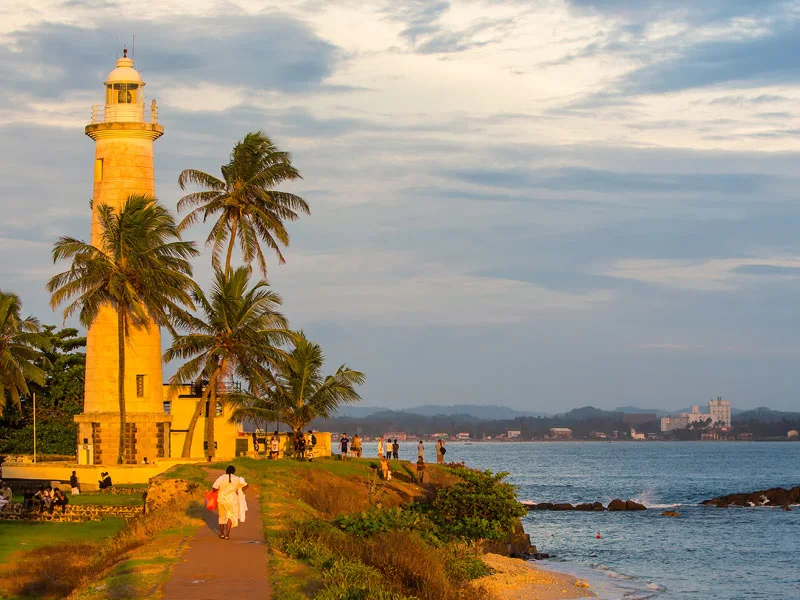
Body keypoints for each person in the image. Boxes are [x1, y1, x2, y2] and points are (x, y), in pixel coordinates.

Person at [211, 465, 248, 540]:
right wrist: (240, 491)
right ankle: (227, 534)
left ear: (226, 471)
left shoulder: (221, 478)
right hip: (232, 500)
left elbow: (214, 488)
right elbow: (246, 485)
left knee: (222, 517)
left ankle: (221, 534)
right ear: (234, 471)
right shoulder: (237, 479)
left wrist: (216, 491)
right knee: (231, 516)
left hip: (221, 499)